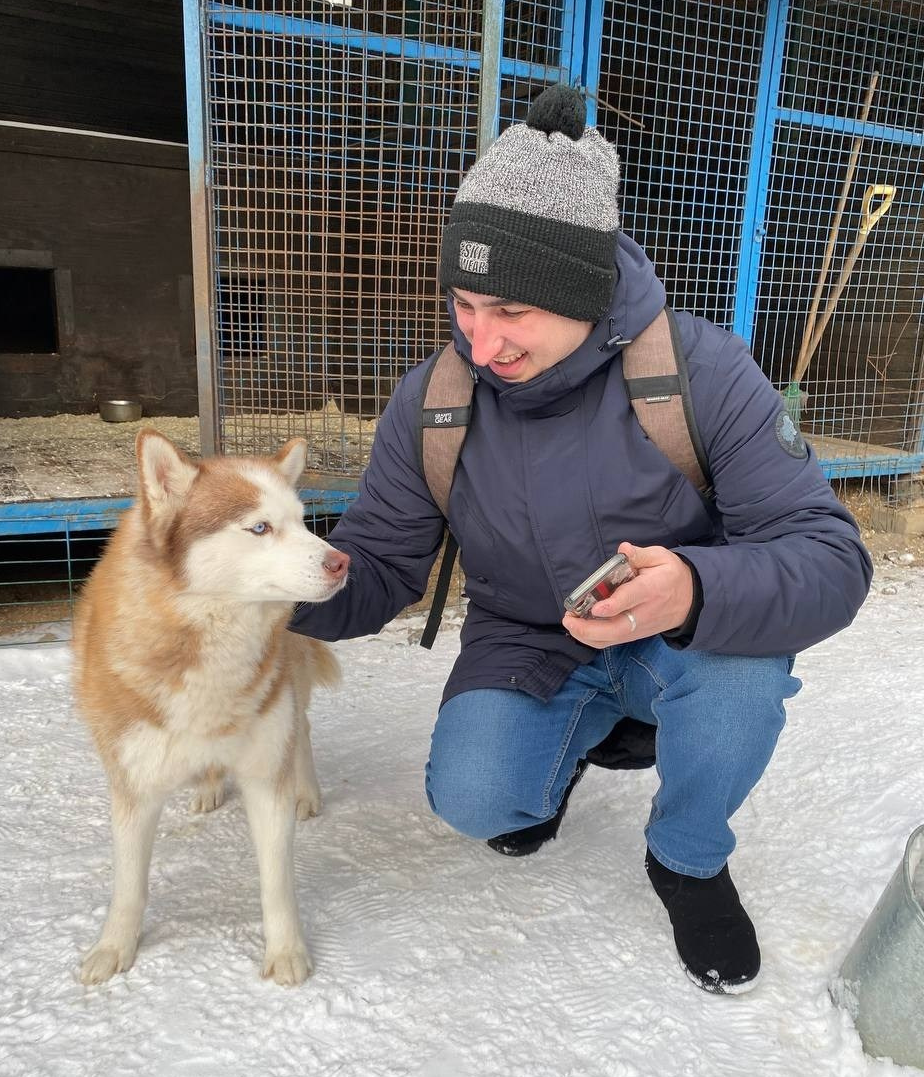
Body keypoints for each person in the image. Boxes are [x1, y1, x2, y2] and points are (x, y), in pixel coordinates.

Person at [290, 83, 872, 995]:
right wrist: (267, 587)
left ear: (584, 291)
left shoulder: (699, 371)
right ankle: (579, 740)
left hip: (683, 633)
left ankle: (686, 858)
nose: (481, 344)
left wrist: (694, 588)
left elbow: (831, 557)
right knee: (476, 800)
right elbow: (380, 560)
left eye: (512, 313)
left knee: (737, 687)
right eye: (465, 303)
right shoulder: (434, 399)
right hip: (528, 635)